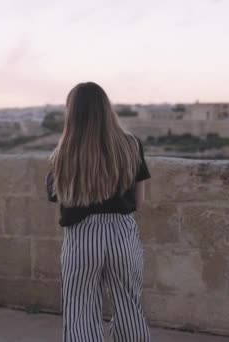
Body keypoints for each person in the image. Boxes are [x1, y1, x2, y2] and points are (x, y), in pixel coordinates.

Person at [46, 82, 151, 342]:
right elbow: (139, 201)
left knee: (80, 309)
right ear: (107, 108)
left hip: (82, 237)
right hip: (122, 234)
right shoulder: (132, 146)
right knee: (129, 308)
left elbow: (56, 194)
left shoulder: (63, 153)